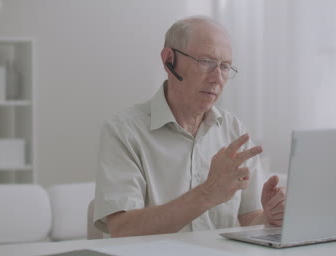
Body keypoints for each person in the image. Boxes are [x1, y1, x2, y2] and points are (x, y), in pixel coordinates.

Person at [93, 16, 286, 238]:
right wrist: (207, 193)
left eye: (225, 67)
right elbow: (123, 229)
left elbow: (251, 218)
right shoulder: (123, 132)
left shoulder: (233, 129)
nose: (217, 78)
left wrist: (270, 218)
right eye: (205, 62)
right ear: (168, 60)